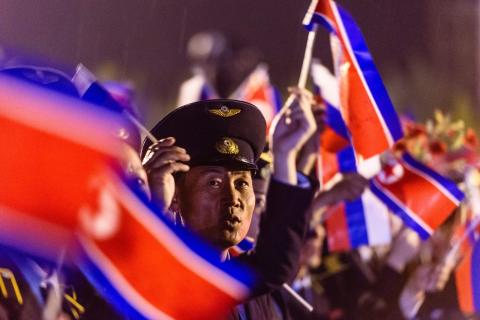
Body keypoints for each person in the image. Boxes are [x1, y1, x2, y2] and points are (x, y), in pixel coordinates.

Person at [142, 89, 318, 318]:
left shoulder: (259, 292)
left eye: (243, 184)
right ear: (175, 196)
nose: (233, 198)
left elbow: (275, 263)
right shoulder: (158, 279)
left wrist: (284, 154)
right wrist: (151, 208)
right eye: (214, 183)